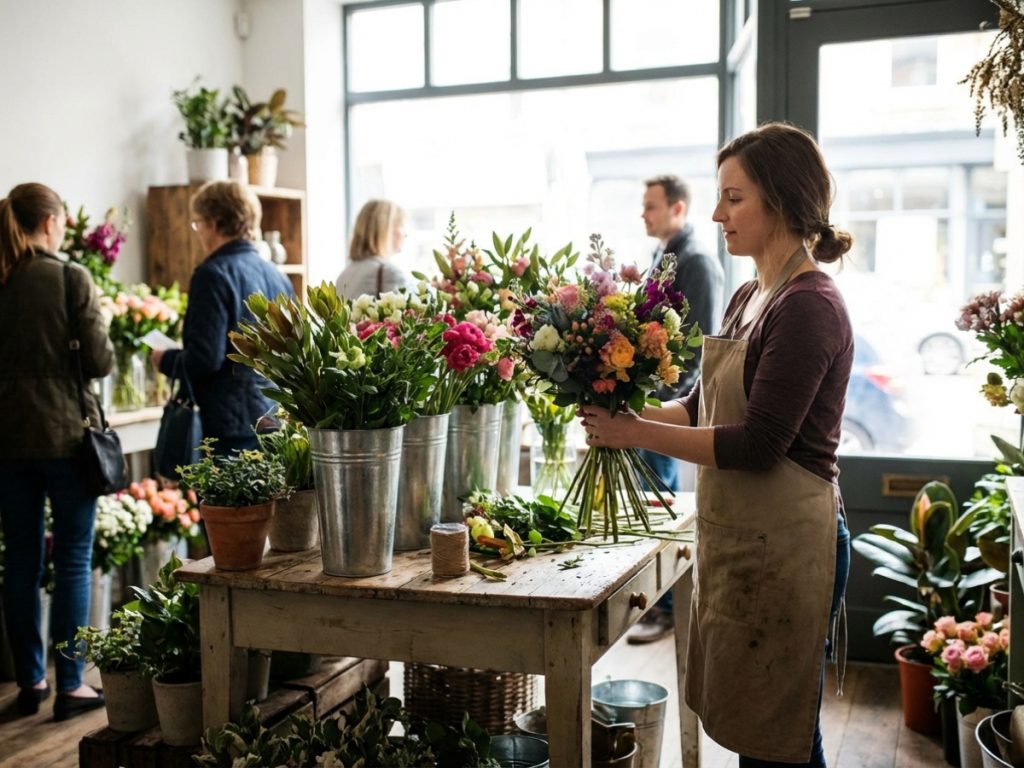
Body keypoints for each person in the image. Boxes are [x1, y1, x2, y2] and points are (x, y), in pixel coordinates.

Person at [580, 122, 853, 767]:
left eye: (734, 197)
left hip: (790, 548)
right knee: (754, 729)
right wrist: (620, 408)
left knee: (779, 740)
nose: (716, 213)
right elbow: (699, 406)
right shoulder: (749, 295)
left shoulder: (809, 305)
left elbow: (760, 444)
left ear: (781, 202)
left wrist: (633, 434)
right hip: (746, 540)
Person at [0, 183, 111, 721]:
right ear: (48, 223)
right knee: (71, 558)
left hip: (6, 441)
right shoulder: (70, 278)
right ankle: (72, 685)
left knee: (19, 560)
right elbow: (98, 361)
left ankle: (30, 681)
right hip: (67, 438)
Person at [628, 174, 724, 645]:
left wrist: (666, 402)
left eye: (651, 206)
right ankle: (654, 604)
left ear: (678, 209)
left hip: (667, 403)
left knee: (659, 503)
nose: (644, 214)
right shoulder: (663, 258)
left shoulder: (698, 261)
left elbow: (701, 341)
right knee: (650, 501)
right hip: (652, 401)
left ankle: (665, 607)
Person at [152, 181, 294, 457]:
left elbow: (205, 358)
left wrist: (165, 359)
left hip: (228, 422)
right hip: (274, 414)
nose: (199, 233)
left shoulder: (213, 275)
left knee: (226, 500)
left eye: (198, 224)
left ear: (215, 223)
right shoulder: (278, 276)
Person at [335, 199, 411, 299]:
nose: (405, 234)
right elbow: (414, 312)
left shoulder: (344, 275)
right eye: (401, 226)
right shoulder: (389, 274)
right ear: (386, 229)